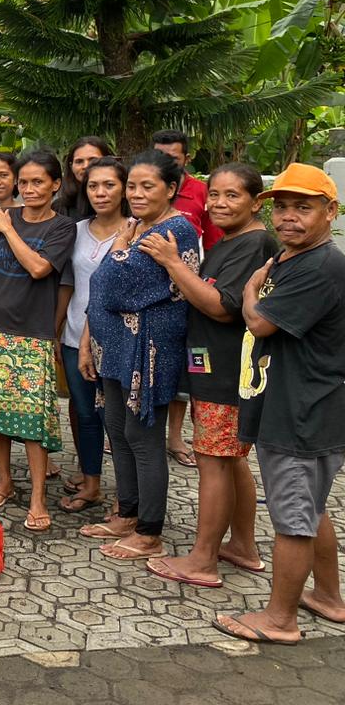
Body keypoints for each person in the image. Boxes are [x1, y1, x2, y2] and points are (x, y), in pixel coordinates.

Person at [214, 164, 345, 644]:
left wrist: (250, 291)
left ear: (330, 212)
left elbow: (259, 323)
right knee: (310, 509)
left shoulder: (320, 266)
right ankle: (328, 597)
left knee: (293, 520)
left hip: (303, 412)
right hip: (296, 405)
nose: (289, 216)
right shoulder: (295, 258)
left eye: (303, 207)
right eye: (283, 207)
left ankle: (279, 620)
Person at [139, 163, 276, 588]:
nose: (219, 203)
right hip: (212, 366)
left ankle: (202, 561)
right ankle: (243, 546)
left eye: (232, 195)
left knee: (213, 461)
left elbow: (221, 306)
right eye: (214, 194)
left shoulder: (254, 243)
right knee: (231, 460)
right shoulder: (231, 239)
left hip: (226, 371)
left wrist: (171, 262)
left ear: (256, 202)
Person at [79, 149, 198, 562]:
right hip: (117, 346)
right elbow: (103, 287)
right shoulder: (139, 227)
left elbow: (109, 285)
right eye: (133, 186)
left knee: (144, 437)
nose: (137, 194)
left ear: (171, 188)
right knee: (117, 428)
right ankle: (127, 513)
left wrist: (120, 245)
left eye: (148, 186)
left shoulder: (174, 230)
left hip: (148, 349)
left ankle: (150, 532)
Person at [0, 151, 76, 532]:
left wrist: (8, 229)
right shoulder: (1, 220)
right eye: (24, 182)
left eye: (38, 182)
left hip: (32, 333)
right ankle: (4, 482)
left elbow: (40, 268)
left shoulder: (62, 227)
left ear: (55, 184)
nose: (29, 189)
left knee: (32, 421)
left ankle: (38, 497)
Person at [56, 157, 130, 513]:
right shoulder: (76, 230)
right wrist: (56, 331)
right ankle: (91, 485)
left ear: (124, 188)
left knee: (118, 421)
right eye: (93, 186)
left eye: (109, 185)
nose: (100, 193)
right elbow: (67, 284)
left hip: (119, 340)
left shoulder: (137, 230)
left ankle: (126, 495)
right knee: (85, 414)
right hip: (74, 336)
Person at [152, 129, 220, 468]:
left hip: (186, 291)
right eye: (159, 155)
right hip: (146, 292)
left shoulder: (201, 192)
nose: (165, 163)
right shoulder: (143, 186)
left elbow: (215, 241)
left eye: (173, 158)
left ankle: (175, 437)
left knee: (180, 365)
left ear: (187, 159)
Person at [55, 137, 114, 219]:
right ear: (71, 166)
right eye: (79, 161)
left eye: (93, 160)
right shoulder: (59, 208)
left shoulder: (124, 204)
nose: (85, 166)